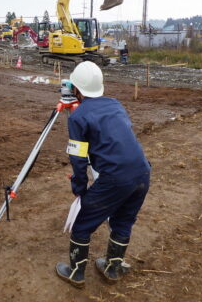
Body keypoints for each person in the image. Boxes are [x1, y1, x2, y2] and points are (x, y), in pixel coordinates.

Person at [56, 61, 151, 288]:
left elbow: (78, 159)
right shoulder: (116, 105)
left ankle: (76, 273)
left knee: (82, 224)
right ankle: (112, 268)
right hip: (142, 173)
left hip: (115, 178)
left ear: (76, 88)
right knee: (123, 220)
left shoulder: (78, 117)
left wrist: (79, 190)